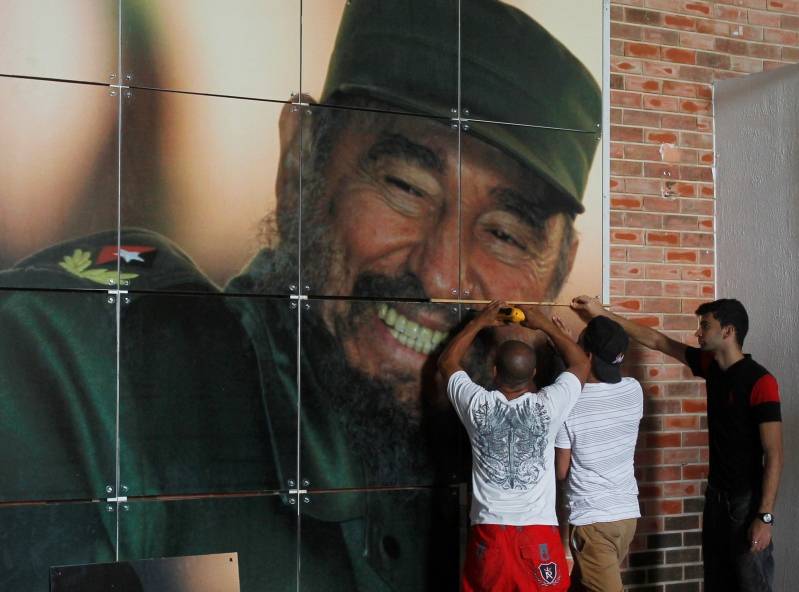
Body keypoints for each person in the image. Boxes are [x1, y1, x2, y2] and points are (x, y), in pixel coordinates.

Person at [0, 2, 600, 591]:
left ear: (557, 271)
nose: (442, 276)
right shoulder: (91, 377)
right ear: (299, 162)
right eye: (405, 187)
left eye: (505, 233)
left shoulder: (510, 471)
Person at [571, 296, 783, 592]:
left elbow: (774, 454)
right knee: (717, 582)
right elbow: (657, 341)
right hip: (716, 498)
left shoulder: (761, 381)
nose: (698, 333)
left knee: (751, 584)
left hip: (747, 503)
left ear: (728, 331)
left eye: (705, 326)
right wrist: (600, 313)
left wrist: (765, 516)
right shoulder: (711, 366)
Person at [438, 301, 590, 591]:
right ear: (533, 374)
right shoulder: (549, 407)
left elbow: (447, 362)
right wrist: (543, 323)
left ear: (494, 371)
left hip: (489, 535)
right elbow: (581, 363)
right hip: (538, 535)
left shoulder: (477, 405)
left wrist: (479, 322)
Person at [553, 316, 643, 592]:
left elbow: (561, 471)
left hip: (594, 523)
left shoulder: (570, 402)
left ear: (587, 355)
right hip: (626, 517)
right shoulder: (633, 390)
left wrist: (567, 349)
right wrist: (576, 348)